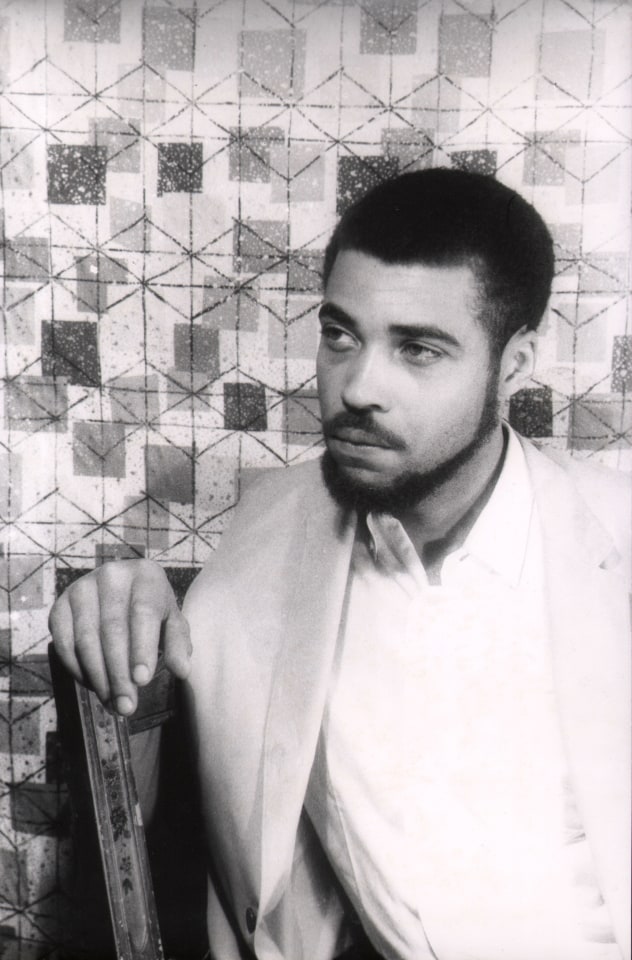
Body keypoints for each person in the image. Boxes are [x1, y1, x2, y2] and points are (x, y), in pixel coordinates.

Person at [50, 169, 631, 960]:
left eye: (418, 349)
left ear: (516, 362)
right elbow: (138, 817)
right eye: (340, 335)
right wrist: (119, 610)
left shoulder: (612, 544)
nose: (358, 387)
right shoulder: (266, 547)